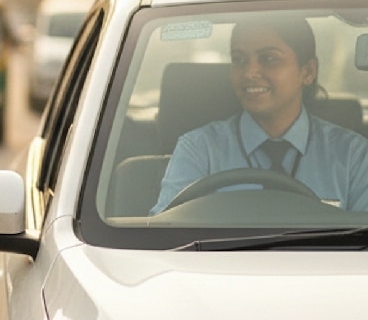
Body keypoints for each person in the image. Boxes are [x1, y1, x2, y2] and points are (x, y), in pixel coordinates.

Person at [152, 15, 368, 214]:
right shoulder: (199, 150)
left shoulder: (352, 156)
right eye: (240, 60)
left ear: (308, 71)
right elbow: (165, 232)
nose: (249, 73)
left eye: (269, 58)